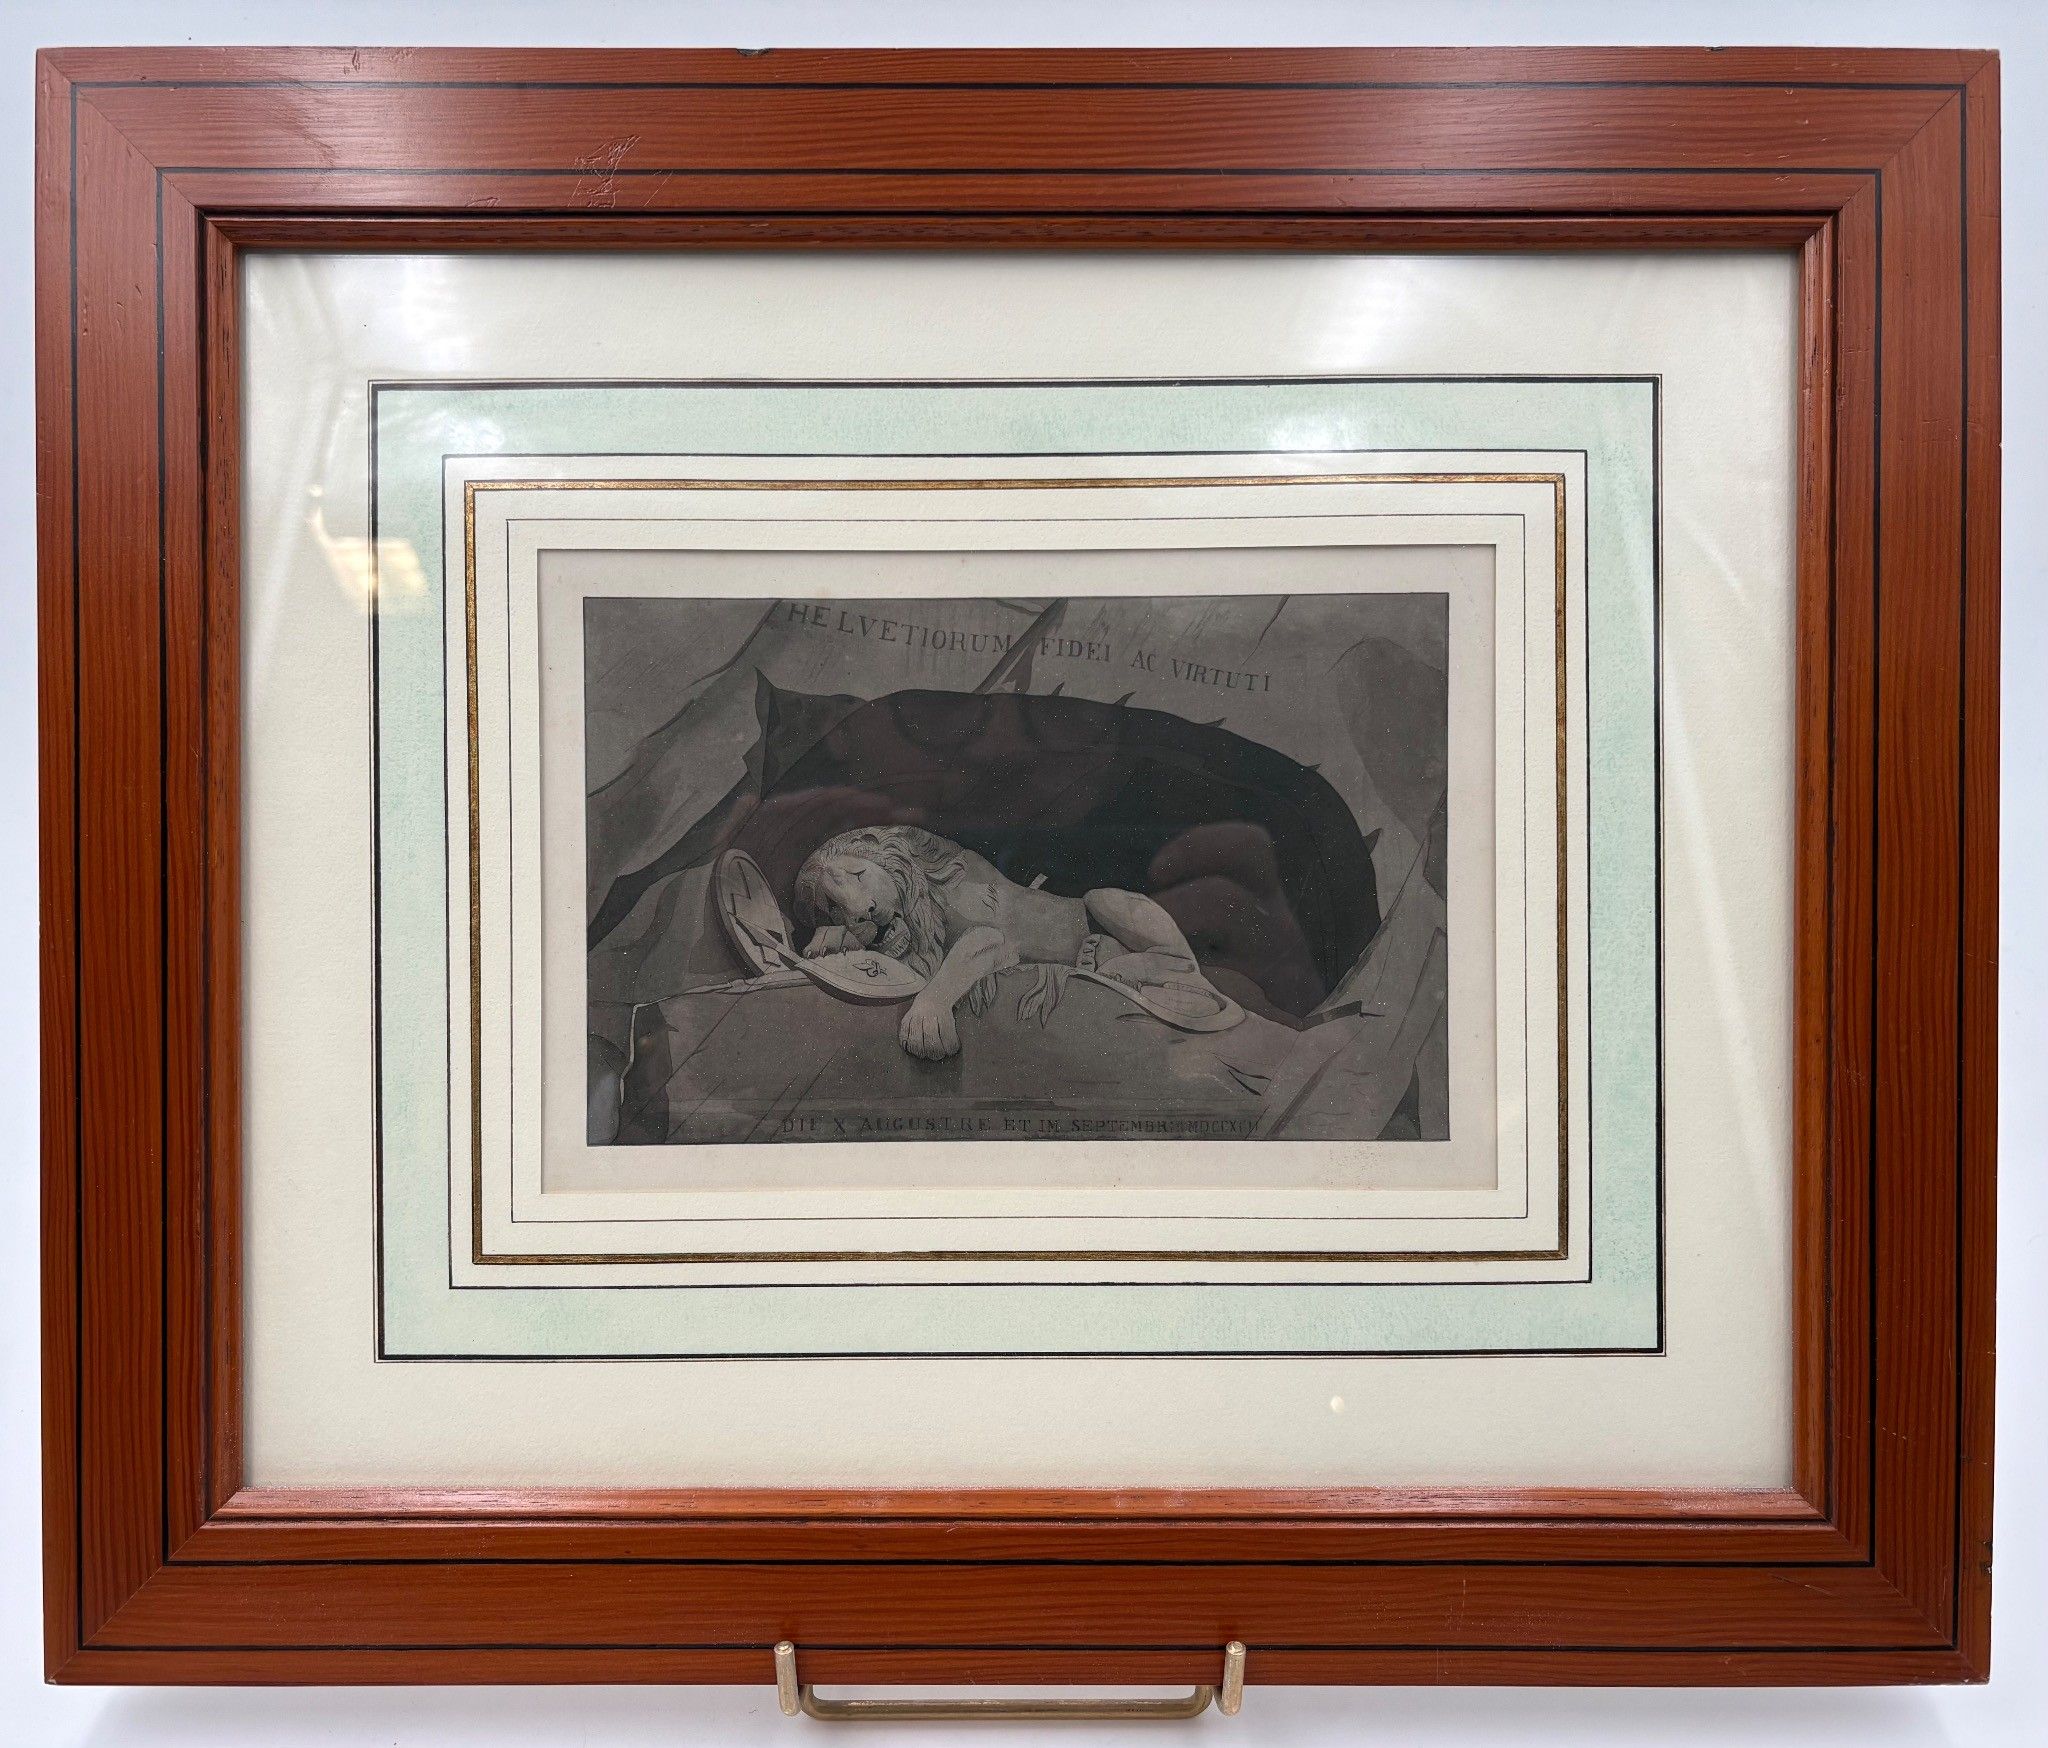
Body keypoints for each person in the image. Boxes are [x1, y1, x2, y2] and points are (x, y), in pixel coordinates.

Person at [792, 824, 1232, 1060]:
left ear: (886, 861)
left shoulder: (954, 881)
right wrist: (841, 944)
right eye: (835, 909)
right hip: (1093, 965)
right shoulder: (890, 918)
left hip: (1092, 927)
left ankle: (1170, 958)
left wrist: (935, 1001)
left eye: (859, 875)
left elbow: (990, 941)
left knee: (1104, 900)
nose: (860, 906)